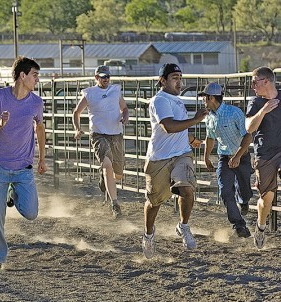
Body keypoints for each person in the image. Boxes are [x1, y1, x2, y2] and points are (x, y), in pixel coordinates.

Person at [0, 56, 46, 272]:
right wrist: (0, 123)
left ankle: (14, 195)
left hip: (24, 169)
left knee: (31, 213)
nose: (37, 80)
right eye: (35, 75)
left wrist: (42, 158)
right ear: (22, 75)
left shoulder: (37, 103)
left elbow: (40, 129)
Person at [142, 63, 208, 258]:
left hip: (181, 154)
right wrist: (196, 120)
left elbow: (179, 127)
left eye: (180, 77)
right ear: (162, 80)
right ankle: (148, 233)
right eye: (174, 77)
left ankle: (184, 226)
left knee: (187, 188)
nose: (179, 81)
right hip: (160, 157)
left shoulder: (177, 100)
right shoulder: (160, 100)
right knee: (154, 201)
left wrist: (191, 139)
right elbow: (169, 127)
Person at [72, 65, 129, 217]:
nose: (106, 79)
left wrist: (125, 117)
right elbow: (76, 112)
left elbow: (124, 108)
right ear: (96, 78)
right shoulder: (90, 93)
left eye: (108, 76)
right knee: (107, 165)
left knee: (118, 174)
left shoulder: (115, 91)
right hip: (98, 135)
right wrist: (77, 129)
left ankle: (104, 178)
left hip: (116, 134)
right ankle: (115, 204)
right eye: (103, 76)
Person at [200, 82, 253, 238]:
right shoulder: (209, 117)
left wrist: (237, 156)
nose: (203, 100)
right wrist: (206, 157)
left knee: (244, 190)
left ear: (211, 98)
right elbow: (210, 138)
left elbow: (247, 135)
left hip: (241, 156)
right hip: (224, 157)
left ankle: (243, 201)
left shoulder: (234, 112)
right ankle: (239, 225)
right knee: (224, 191)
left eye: (204, 97)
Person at [245, 67, 281, 249]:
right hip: (264, 154)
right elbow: (249, 128)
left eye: (254, 81)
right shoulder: (256, 103)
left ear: (266, 81)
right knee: (266, 198)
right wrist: (263, 111)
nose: (252, 86)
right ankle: (260, 226)